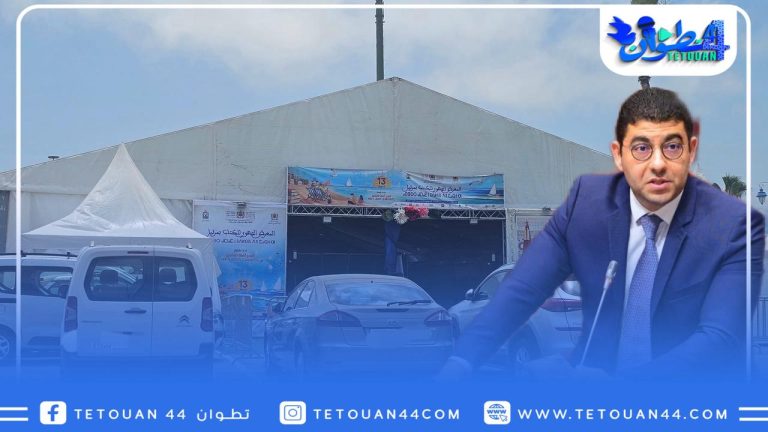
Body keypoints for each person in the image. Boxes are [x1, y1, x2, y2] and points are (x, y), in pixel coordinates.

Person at [443, 88, 765, 380]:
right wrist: (460, 363)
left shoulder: (733, 226)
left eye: (671, 147)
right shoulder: (586, 204)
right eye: (642, 148)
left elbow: (720, 337)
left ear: (690, 151)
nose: (658, 164)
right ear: (618, 154)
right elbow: (523, 288)